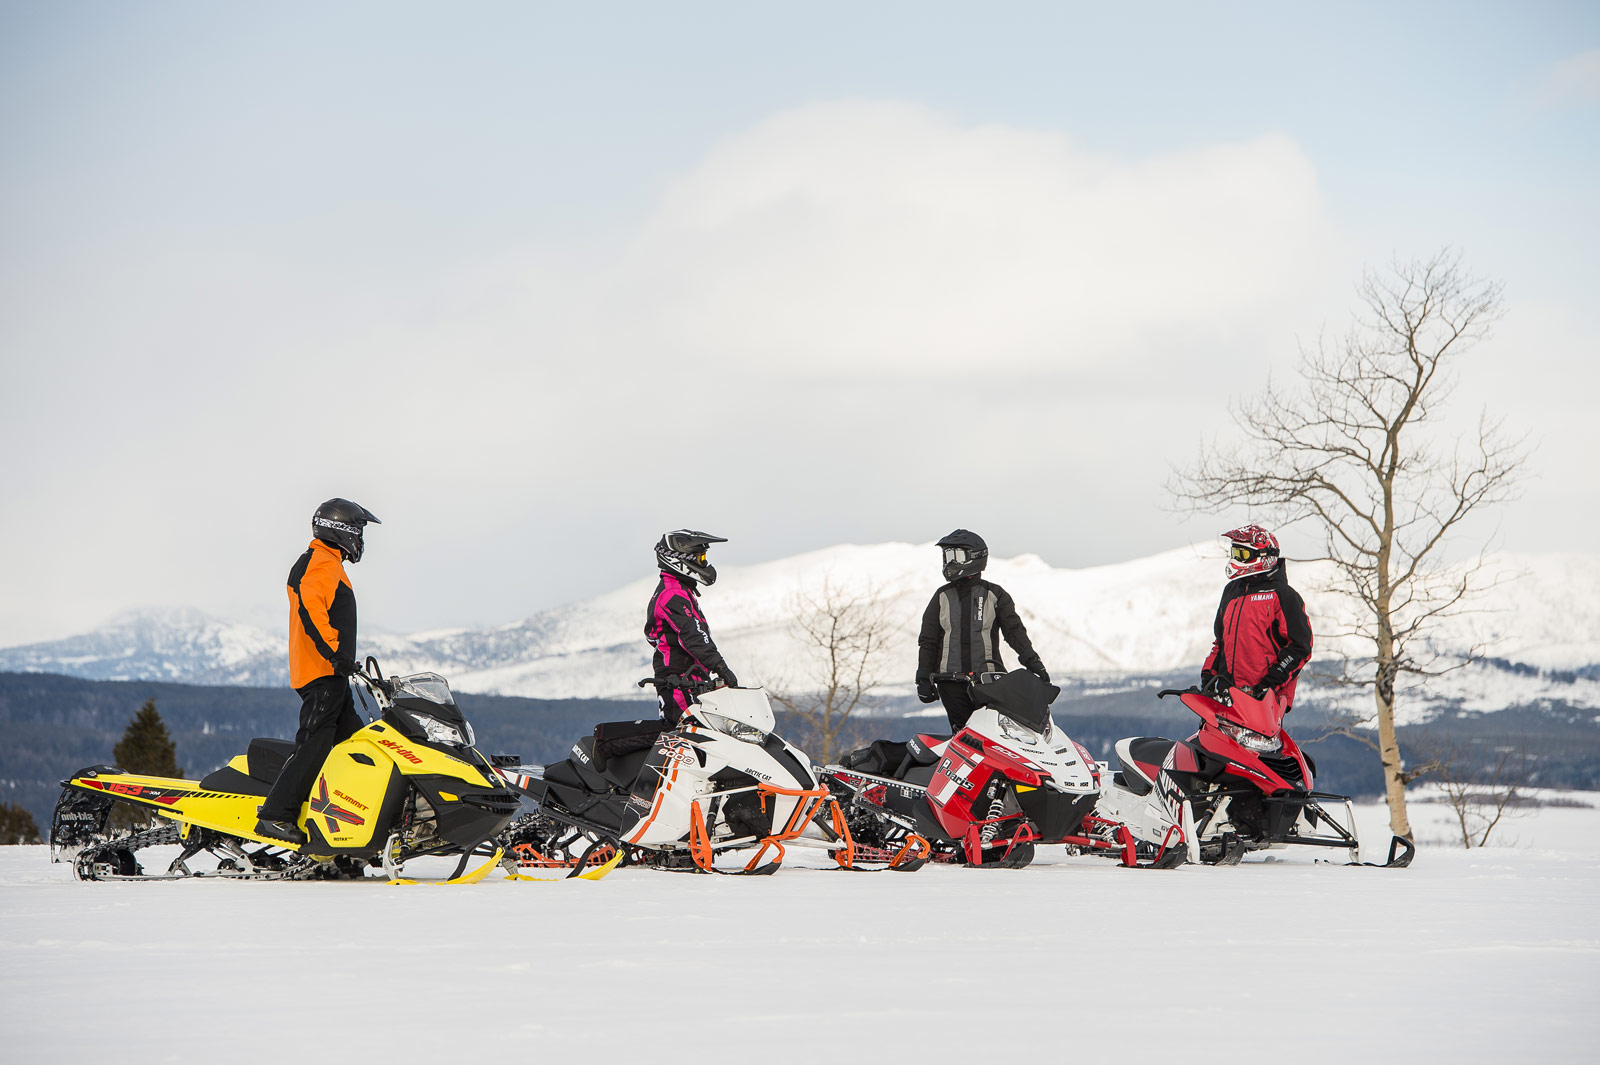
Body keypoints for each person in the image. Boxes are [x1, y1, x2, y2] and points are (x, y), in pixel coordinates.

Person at [255, 498, 381, 846]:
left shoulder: (328, 563)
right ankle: (275, 815)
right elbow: (311, 611)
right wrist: (335, 654)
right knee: (315, 741)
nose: (360, 539)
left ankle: (341, 821)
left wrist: (342, 661)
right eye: (358, 531)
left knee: (352, 744)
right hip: (322, 673)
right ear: (341, 530)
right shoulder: (320, 563)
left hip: (331, 673)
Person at [915, 529, 1049, 732]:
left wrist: (1033, 661)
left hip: (989, 681)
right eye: (947, 556)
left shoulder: (995, 594)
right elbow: (928, 640)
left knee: (994, 736)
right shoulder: (941, 597)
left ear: (975, 557)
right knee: (963, 737)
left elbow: (1014, 631)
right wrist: (923, 678)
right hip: (949, 682)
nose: (950, 562)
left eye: (956, 556)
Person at [1200, 524, 1313, 707]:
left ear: (1262, 556)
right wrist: (1208, 676)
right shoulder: (1231, 591)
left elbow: (1300, 647)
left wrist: (1270, 684)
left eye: (1242, 555)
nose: (1235, 559)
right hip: (1227, 696)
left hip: (1264, 700)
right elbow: (1220, 641)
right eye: (1234, 553)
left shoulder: (1283, 596)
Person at [644, 530, 740, 728]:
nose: (704, 563)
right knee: (686, 738)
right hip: (678, 683)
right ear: (680, 560)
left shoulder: (680, 590)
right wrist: (721, 668)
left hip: (691, 680)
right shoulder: (672, 594)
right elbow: (693, 636)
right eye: (700, 558)